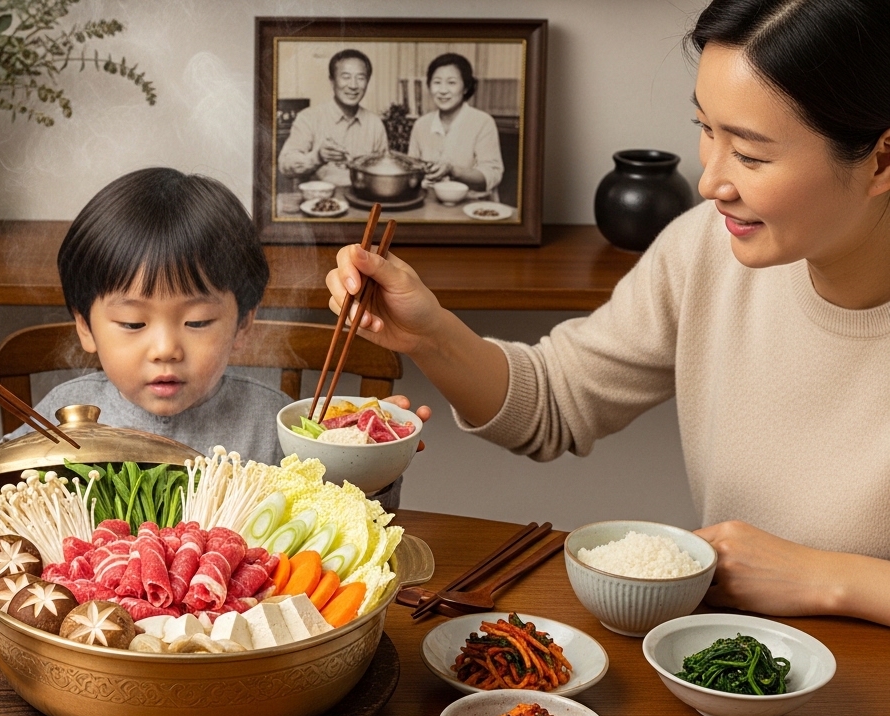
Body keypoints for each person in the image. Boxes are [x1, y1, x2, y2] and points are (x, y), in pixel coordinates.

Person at [327, 0, 890, 626]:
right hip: (726, 664)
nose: (711, 182)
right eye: (708, 130)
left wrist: (829, 579)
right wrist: (429, 333)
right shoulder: (708, 244)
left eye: (752, 156)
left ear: (880, 161)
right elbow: (554, 403)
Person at [0, 167, 429, 519]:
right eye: (133, 325)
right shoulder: (62, 416)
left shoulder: (277, 428)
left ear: (243, 323)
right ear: (86, 327)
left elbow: (356, 525)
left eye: (200, 322)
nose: (165, 348)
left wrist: (371, 463)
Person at [277, 49, 389, 188]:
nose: (353, 85)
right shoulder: (308, 118)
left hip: (362, 200)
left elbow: (384, 169)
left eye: (361, 78)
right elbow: (284, 166)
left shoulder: (375, 124)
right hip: (317, 204)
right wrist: (317, 157)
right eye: (346, 77)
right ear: (332, 81)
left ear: (367, 82)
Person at [407, 52, 504, 200]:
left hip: (473, 207)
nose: (443, 90)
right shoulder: (421, 125)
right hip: (429, 204)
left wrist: (453, 170)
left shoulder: (483, 122)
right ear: (429, 86)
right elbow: (411, 171)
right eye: (437, 82)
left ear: (465, 87)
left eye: (451, 83)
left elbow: (492, 176)